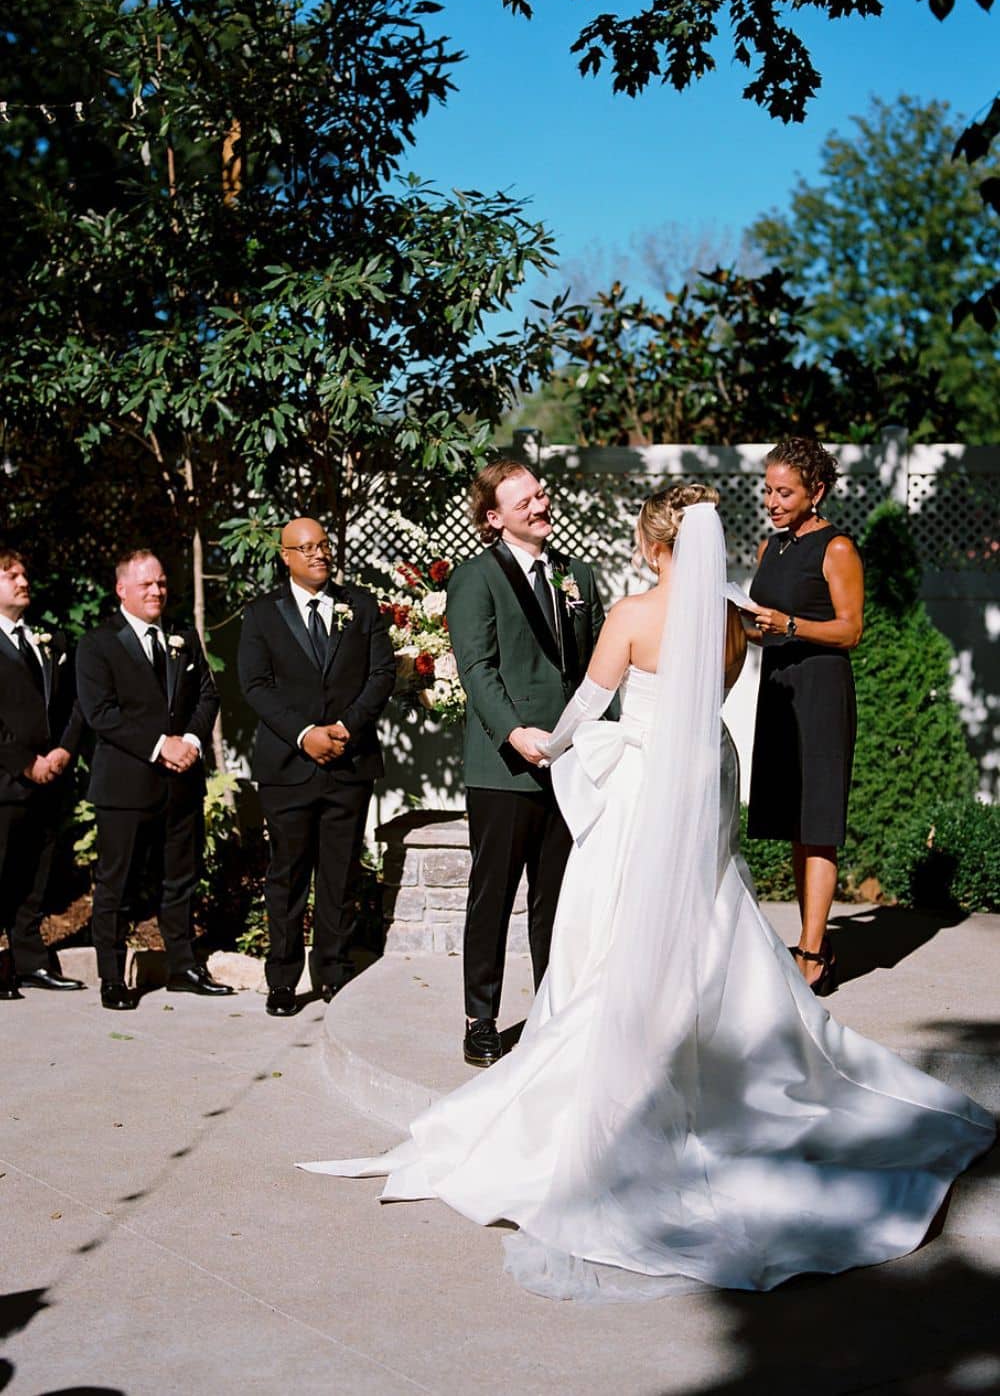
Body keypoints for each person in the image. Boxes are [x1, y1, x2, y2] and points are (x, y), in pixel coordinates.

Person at [300, 486, 994, 1299]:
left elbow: (586, 709)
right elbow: (718, 698)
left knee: (617, 920)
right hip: (707, 774)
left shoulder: (631, 615)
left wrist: (544, 746)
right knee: (707, 911)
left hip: (640, 787)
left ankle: (628, 1051)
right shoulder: (735, 621)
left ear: (656, 544)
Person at [444, 460, 610, 1067]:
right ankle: (480, 1018)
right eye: (525, 503)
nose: (540, 506)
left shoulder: (579, 576)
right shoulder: (475, 578)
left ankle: (553, 1009)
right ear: (495, 518)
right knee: (492, 895)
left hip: (569, 761)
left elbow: (597, 668)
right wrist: (515, 734)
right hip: (503, 768)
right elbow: (477, 668)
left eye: (541, 494)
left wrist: (594, 740)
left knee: (559, 898)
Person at [238, 517, 395, 1018]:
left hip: (349, 763)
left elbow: (382, 673)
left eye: (324, 545)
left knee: (340, 873)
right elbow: (256, 684)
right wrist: (306, 735)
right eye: (306, 548)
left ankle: (332, 970)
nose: (318, 554)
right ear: (285, 556)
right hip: (288, 766)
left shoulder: (361, 606)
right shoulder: (262, 614)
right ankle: (283, 979)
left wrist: (345, 727)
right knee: (286, 875)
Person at [76, 549, 233, 1011]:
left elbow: (207, 693)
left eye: (161, 582)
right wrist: (158, 745)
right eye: (146, 584)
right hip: (125, 787)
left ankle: (183, 967)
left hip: (181, 784)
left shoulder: (183, 635)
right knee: (117, 884)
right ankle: (111, 977)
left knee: (180, 879)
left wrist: (189, 740)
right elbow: (101, 713)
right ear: (122, 589)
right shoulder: (98, 643)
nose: (156, 591)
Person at [746, 437, 863, 995]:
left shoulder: (836, 547)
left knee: (817, 826)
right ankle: (813, 939)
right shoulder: (773, 548)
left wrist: (790, 625)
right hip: (779, 688)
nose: (771, 500)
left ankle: (813, 954)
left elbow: (850, 629)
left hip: (820, 688)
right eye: (768, 489)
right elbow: (758, 622)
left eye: (784, 491)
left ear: (816, 491)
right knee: (794, 822)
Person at [0, 549, 85, 999]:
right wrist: (24, 763)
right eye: (10, 574)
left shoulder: (44, 641)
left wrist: (64, 751)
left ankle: (31, 961)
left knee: (36, 875)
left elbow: (73, 702)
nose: (21, 580)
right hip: (6, 782)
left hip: (50, 779)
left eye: (24, 572)